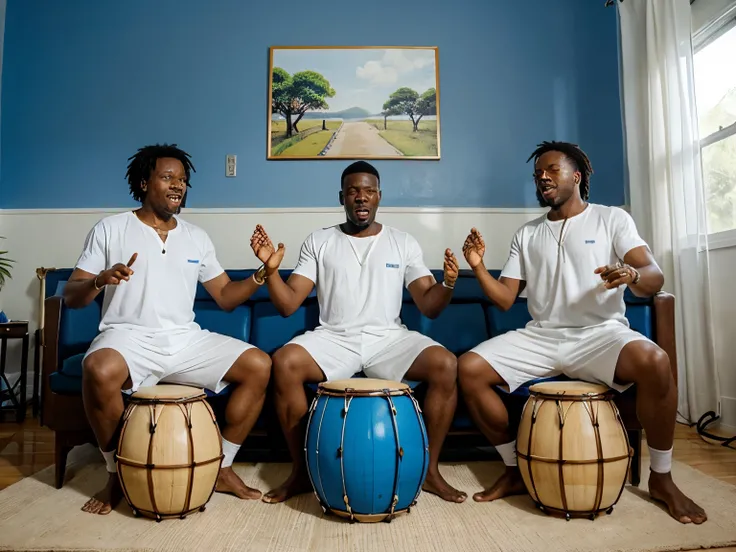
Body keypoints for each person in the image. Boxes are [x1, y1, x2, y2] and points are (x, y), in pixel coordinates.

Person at [457, 141, 707, 524]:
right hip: (541, 337)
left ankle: (662, 477)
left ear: (576, 176)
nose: (542, 177)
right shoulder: (526, 234)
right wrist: (477, 266)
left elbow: (655, 276)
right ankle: (513, 470)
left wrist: (632, 274)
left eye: (551, 170)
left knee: (655, 361)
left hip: (599, 335)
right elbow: (505, 300)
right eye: (538, 173)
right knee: (469, 369)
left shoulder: (612, 219)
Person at [64, 144, 272, 515]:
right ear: (144, 183)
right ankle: (116, 473)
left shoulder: (196, 237)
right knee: (97, 368)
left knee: (259, 364)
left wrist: (262, 273)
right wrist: (100, 278)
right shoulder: (111, 228)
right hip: (128, 337)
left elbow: (225, 296)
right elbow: (72, 295)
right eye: (168, 177)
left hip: (184, 339)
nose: (178, 185)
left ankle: (221, 466)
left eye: (183, 180)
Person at [249, 160, 466, 504]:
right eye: (353, 191)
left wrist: (449, 284)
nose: (361, 197)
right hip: (334, 338)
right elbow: (288, 303)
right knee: (285, 362)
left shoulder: (403, 241)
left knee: (446, 364)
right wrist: (270, 270)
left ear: (379, 196)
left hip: (388, 339)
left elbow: (429, 304)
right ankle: (302, 471)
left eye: (368, 191)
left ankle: (430, 471)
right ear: (342, 197)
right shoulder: (319, 241)